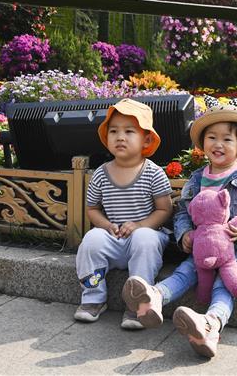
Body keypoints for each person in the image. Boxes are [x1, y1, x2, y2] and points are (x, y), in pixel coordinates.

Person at [122, 102, 237, 358]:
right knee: (186, 271)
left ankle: (210, 325)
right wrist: (184, 234)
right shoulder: (197, 178)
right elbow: (183, 210)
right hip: (202, 247)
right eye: (212, 138)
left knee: (224, 287)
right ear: (203, 143)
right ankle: (154, 297)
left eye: (227, 139)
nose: (218, 144)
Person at [74, 98, 173, 329]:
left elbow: (164, 209)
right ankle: (93, 298)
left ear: (146, 139)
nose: (120, 137)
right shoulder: (101, 173)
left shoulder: (153, 173)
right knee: (91, 239)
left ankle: (138, 302)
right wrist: (106, 225)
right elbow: (93, 209)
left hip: (144, 238)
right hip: (115, 236)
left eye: (129, 131)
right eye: (114, 131)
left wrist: (140, 225)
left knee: (144, 238)